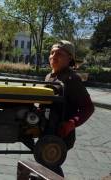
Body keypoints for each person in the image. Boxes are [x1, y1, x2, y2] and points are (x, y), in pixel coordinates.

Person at [44, 40, 95, 176]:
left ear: (69, 59)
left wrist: (71, 123)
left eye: (59, 53)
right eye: (52, 53)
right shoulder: (50, 76)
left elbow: (88, 107)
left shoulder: (72, 79)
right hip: (46, 130)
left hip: (61, 133)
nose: (53, 56)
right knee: (44, 164)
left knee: (50, 165)